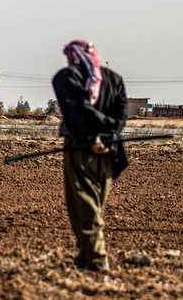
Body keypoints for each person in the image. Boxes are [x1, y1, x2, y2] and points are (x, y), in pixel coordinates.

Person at [52, 40, 127, 272]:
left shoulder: (66, 77)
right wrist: (107, 136)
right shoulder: (114, 79)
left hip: (81, 149)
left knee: (84, 205)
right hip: (109, 151)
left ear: (72, 56)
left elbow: (76, 112)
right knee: (95, 205)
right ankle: (86, 257)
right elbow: (121, 115)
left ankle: (96, 259)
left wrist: (93, 138)